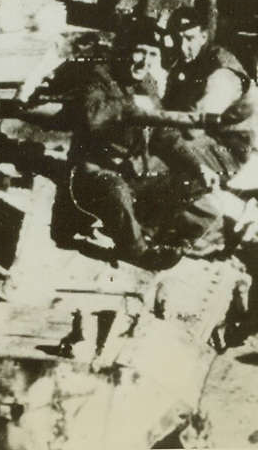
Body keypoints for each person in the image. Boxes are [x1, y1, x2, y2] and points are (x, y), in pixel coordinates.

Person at [62, 18, 183, 269]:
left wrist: (190, 158)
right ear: (125, 49)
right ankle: (138, 253)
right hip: (95, 172)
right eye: (140, 51)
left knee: (182, 177)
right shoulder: (99, 76)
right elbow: (93, 117)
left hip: (132, 168)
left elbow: (161, 130)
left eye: (152, 54)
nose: (145, 61)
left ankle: (148, 233)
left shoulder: (147, 83)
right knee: (115, 188)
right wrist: (131, 108)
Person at [154, 7, 258, 188]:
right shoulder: (189, 60)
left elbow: (193, 129)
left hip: (226, 152)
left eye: (190, 38)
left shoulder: (221, 76)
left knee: (155, 161)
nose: (182, 46)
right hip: (200, 139)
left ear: (203, 37)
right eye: (177, 38)